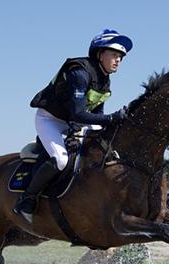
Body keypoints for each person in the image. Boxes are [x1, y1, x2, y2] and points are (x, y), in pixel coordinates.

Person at [13, 29, 133, 222]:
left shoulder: (104, 80)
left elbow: (97, 115)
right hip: (50, 120)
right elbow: (78, 113)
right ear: (100, 54)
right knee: (60, 160)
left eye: (121, 56)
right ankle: (27, 199)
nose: (118, 60)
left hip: (76, 121)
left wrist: (109, 127)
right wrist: (112, 118)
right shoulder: (80, 72)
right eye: (114, 54)